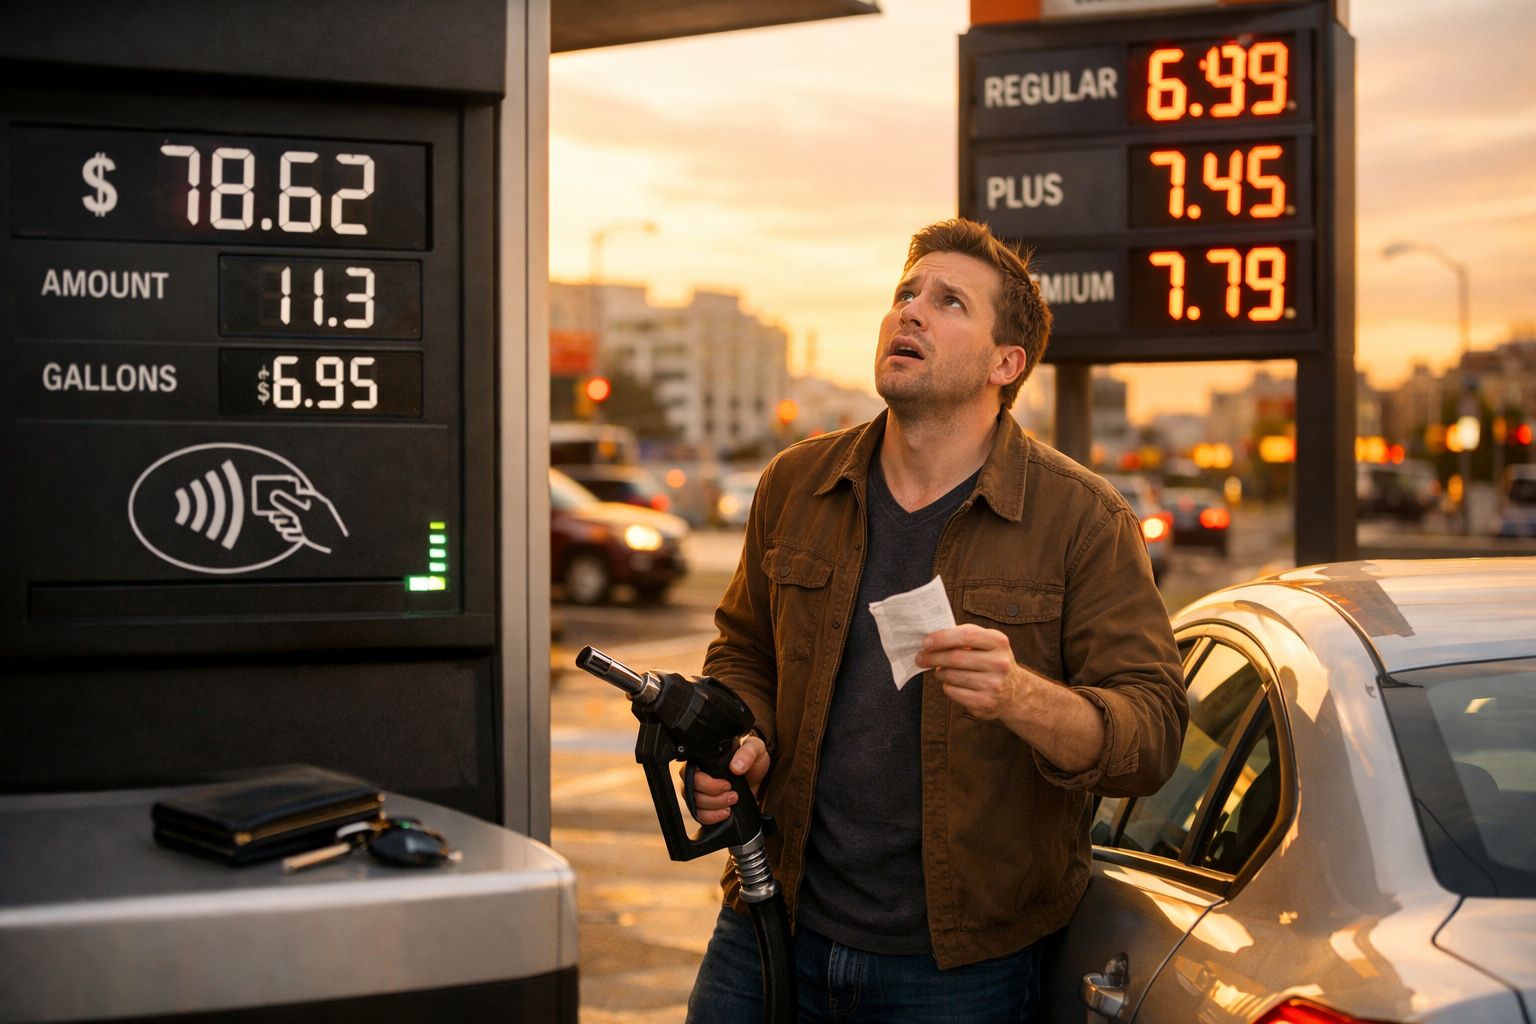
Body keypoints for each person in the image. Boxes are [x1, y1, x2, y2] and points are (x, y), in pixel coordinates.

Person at [685, 218, 1188, 1022]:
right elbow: (744, 649)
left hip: (961, 967)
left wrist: (1022, 697)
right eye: (904, 294)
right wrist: (742, 737)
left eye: (949, 301)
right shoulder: (795, 484)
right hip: (769, 918)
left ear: (1005, 363)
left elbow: (1153, 733)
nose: (909, 312)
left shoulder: (1082, 518)